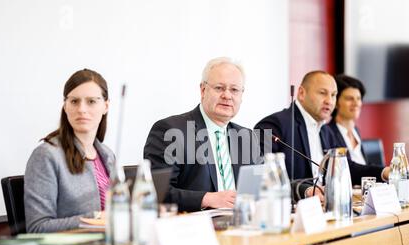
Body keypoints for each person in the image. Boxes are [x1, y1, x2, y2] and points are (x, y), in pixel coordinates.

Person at [144, 57, 263, 212]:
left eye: (234, 90)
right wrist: (208, 198)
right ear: (203, 90)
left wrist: (302, 189)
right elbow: (157, 193)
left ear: (241, 95)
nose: (227, 95)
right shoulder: (171, 130)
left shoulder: (247, 137)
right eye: (219, 88)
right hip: (195, 226)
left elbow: (265, 185)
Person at [254, 70, 389, 200]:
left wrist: (384, 172)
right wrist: (305, 191)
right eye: (322, 93)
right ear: (301, 93)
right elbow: (263, 176)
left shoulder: (326, 131)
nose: (329, 101)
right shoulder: (273, 125)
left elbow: (347, 168)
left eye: (333, 95)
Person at [24, 69, 115, 233]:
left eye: (91, 101)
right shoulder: (46, 155)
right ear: (65, 106)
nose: (81, 109)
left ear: (106, 106)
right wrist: (94, 219)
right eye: (74, 101)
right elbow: (37, 228)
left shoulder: (108, 155)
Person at [327, 74, 368, 165]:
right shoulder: (328, 133)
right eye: (350, 99)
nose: (356, 103)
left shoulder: (355, 131)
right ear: (336, 102)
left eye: (358, 98)